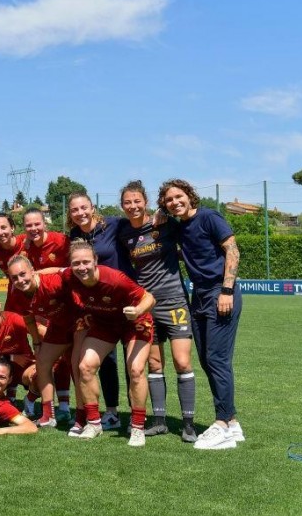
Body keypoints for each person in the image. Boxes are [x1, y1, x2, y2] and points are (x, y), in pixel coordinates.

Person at [158, 178, 243, 450]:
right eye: (169, 200)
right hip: (198, 296)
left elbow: (232, 250)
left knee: (217, 359)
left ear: (189, 195)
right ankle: (231, 422)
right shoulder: (180, 227)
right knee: (208, 361)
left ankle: (221, 423)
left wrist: (227, 291)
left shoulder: (208, 217)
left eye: (178, 196)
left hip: (220, 291)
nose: (175, 202)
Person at [118, 180, 197, 442]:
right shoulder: (123, 233)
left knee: (182, 361)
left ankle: (188, 424)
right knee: (154, 363)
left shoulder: (164, 224)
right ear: (122, 206)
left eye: (137, 201)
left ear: (146, 202)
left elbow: (188, 228)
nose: (133, 206)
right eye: (128, 202)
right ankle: (160, 421)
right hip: (146, 305)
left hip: (175, 301)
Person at [64, 239, 156, 447]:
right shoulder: (69, 276)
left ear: (95, 260)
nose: (81, 267)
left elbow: (149, 298)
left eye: (86, 262)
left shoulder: (115, 279)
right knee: (85, 367)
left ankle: (138, 427)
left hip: (135, 322)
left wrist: (138, 311)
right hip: (105, 324)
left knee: (136, 370)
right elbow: (52, 272)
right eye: (76, 263)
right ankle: (94, 423)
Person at [68, 192, 132, 430]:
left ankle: (137, 416)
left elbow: (140, 224)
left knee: (131, 361)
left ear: (92, 207)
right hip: (97, 304)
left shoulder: (113, 224)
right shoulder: (74, 235)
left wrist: (159, 217)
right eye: (74, 210)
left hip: (125, 300)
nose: (80, 213)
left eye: (84, 208)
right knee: (106, 360)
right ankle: (112, 413)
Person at [5, 254, 77, 429]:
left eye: (23, 274)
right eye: (15, 277)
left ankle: (86, 416)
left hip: (78, 325)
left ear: (32, 271)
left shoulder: (52, 282)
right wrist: (36, 343)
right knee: (43, 363)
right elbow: (29, 319)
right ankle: (48, 415)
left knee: (79, 367)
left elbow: (68, 271)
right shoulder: (17, 293)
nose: (20, 280)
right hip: (58, 328)